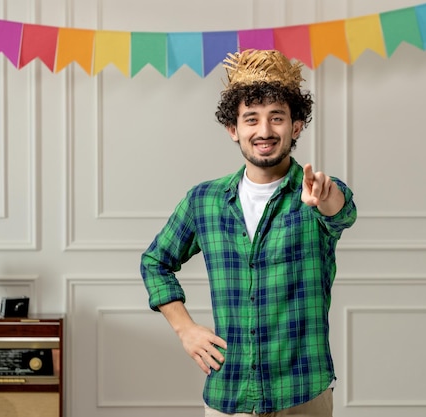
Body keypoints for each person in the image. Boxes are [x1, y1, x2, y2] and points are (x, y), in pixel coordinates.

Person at [140, 49, 357, 417]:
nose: (265, 131)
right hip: (230, 395)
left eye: (277, 118)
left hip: (303, 393)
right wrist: (185, 330)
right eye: (251, 119)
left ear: (297, 125)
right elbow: (155, 261)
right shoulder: (204, 201)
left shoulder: (314, 193)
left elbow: (341, 211)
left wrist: (324, 196)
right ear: (233, 128)